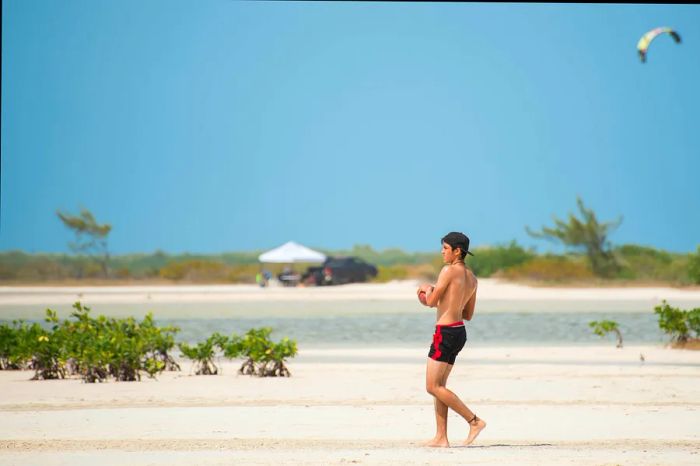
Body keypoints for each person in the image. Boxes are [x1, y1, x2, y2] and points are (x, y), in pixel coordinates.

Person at [417, 231, 486, 448]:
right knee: (441, 387)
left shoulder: (448, 271)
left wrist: (425, 290)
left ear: (458, 251)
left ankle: (474, 421)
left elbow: (430, 302)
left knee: (432, 387)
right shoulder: (473, 278)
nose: (442, 252)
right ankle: (441, 437)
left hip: (445, 333)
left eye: (445, 248)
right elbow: (468, 314)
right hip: (459, 332)